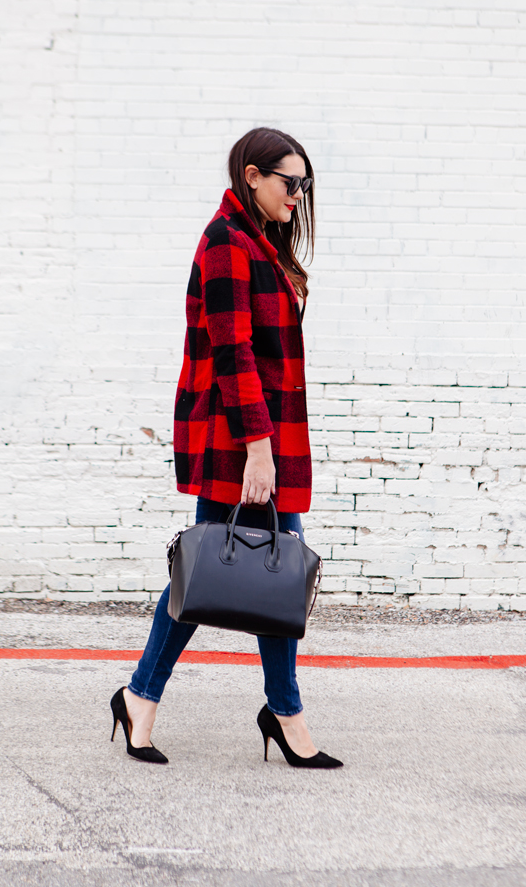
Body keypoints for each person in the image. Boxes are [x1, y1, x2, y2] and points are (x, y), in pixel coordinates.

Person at [110, 127, 342, 770]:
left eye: (304, 184)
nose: (298, 195)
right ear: (252, 176)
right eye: (289, 182)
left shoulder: (258, 243)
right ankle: (278, 712)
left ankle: (145, 699)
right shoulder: (225, 243)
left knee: (240, 572)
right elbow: (233, 352)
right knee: (247, 571)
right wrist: (259, 451)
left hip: (261, 429)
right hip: (240, 435)